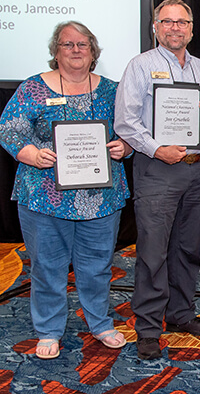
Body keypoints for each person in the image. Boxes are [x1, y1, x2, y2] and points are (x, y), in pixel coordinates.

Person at [0, 21, 131, 359]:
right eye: (67, 44)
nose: (75, 50)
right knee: (47, 265)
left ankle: (100, 323)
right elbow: (10, 129)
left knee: (98, 265)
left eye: (82, 44)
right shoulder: (33, 88)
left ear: (93, 51)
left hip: (101, 197)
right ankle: (48, 329)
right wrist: (30, 153)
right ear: (55, 52)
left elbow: (134, 129)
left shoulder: (114, 91)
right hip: (44, 195)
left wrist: (125, 146)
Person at [114, 0, 200, 360]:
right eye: (168, 22)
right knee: (153, 252)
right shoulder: (140, 66)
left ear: (192, 29)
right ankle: (147, 326)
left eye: (182, 22)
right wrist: (157, 148)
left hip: (196, 169)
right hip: (157, 168)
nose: (175, 28)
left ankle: (180, 313)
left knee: (188, 248)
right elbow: (126, 122)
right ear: (155, 27)